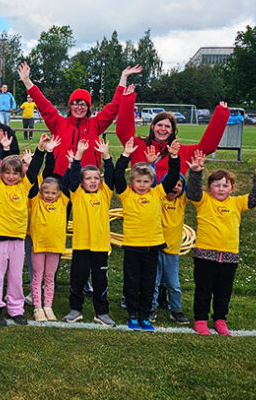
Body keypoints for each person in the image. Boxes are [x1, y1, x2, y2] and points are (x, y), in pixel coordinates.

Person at [185, 153, 256, 336]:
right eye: (217, 185)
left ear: (232, 187)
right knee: (203, 291)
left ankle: (220, 320)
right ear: (209, 187)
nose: (221, 189)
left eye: (225, 185)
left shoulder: (237, 203)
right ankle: (200, 320)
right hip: (205, 255)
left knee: (223, 292)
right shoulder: (203, 201)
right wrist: (195, 172)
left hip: (230, 256)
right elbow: (192, 191)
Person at [17, 60, 140, 173]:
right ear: (70, 106)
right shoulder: (58, 122)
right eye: (75, 104)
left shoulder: (95, 124)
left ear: (88, 108)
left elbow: (114, 107)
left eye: (83, 104)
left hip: (87, 181)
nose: (79, 108)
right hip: (61, 180)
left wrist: (123, 78)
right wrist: (27, 81)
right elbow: (42, 104)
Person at [113, 137, 181, 331]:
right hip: (133, 247)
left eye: (146, 181)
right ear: (132, 182)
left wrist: (174, 157)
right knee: (132, 282)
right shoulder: (126, 196)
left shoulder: (157, 193)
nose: (142, 185)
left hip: (153, 246)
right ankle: (132, 315)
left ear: (152, 182)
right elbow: (118, 175)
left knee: (149, 283)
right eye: (138, 181)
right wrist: (125, 155)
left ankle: (145, 316)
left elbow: (172, 175)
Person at [0, 129, 43, 326]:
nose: (10, 176)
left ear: (20, 174)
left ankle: (16, 308)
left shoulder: (24, 186)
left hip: (17, 238)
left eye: (14, 173)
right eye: (6, 172)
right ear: (1, 174)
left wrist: (40, 150)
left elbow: (33, 170)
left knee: (16, 276)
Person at [63, 137, 117, 326]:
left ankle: (101, 312)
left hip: (101, 246)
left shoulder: (105, 194)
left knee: (100, 281)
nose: (93, 181)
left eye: (96, 178)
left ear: (101, 182)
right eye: (88, 178)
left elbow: (111, 175)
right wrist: (78, 155)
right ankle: (75, 309)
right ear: (82, 182)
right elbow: (72, 177)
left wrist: (106, 156)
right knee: (77, 279)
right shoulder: (76, 194)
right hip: (81, 245)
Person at [115, 99, 231, 181]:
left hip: (170, 203)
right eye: (159, 125)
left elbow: (207, 148)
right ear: (152, 127)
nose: (163, 129)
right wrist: (128, 100)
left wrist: (221, 115)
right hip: (141, 201)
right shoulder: (137, 145)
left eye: (167, 126)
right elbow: (123, 132)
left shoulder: (182, 151)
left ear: (172, 131)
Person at [151, 147, 193, 325]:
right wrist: (151, 163)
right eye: (172, 184)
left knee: (173, 284)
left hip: (172, 251)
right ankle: (151, 308)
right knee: (153, 282)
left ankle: (175, 309)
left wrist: (197, 170)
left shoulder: (181, 202)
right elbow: (152, 183)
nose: (175, 187)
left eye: (179, 185)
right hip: (155, 248)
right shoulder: (158, 198)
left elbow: (194, 189)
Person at [26, 135, 66, 321]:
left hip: (55, 246)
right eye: (46, 192)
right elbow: (32, 176)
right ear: (40, 192)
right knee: (37, 277)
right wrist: (39, 153)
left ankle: (48, 306)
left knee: (50, 278)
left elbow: (63, 176)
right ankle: (37, 307)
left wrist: (74, 160)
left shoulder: (63, 201)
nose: (49, 196)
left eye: (53, 193)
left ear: (59, 193)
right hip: (38, 245)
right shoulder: (36, 200)